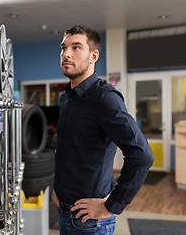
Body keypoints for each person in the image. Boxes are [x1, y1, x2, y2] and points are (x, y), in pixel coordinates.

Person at [52, 25, 154, 235]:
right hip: (64, 212)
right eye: (63, 48)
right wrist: (58, 189)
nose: (66, 54)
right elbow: (68, 150)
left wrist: (111, 205)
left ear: (93, 56)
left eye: (76, 47)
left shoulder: (104, 98)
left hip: (89, 222)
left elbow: (142, 155)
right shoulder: (67, 98)